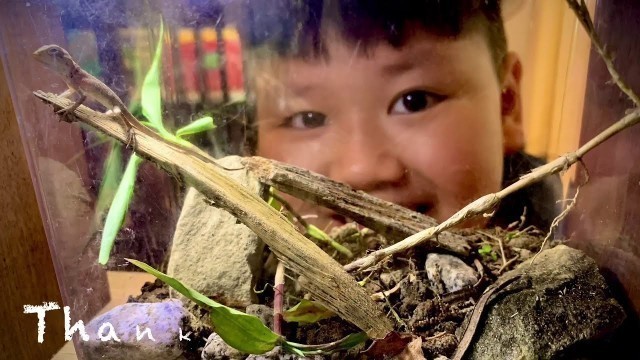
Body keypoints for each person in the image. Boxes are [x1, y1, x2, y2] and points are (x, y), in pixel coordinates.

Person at [236, 0, 561, 231]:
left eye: (414, 101)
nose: (361, 170)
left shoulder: (573, 231)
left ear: (507, 105)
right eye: (308, 118)